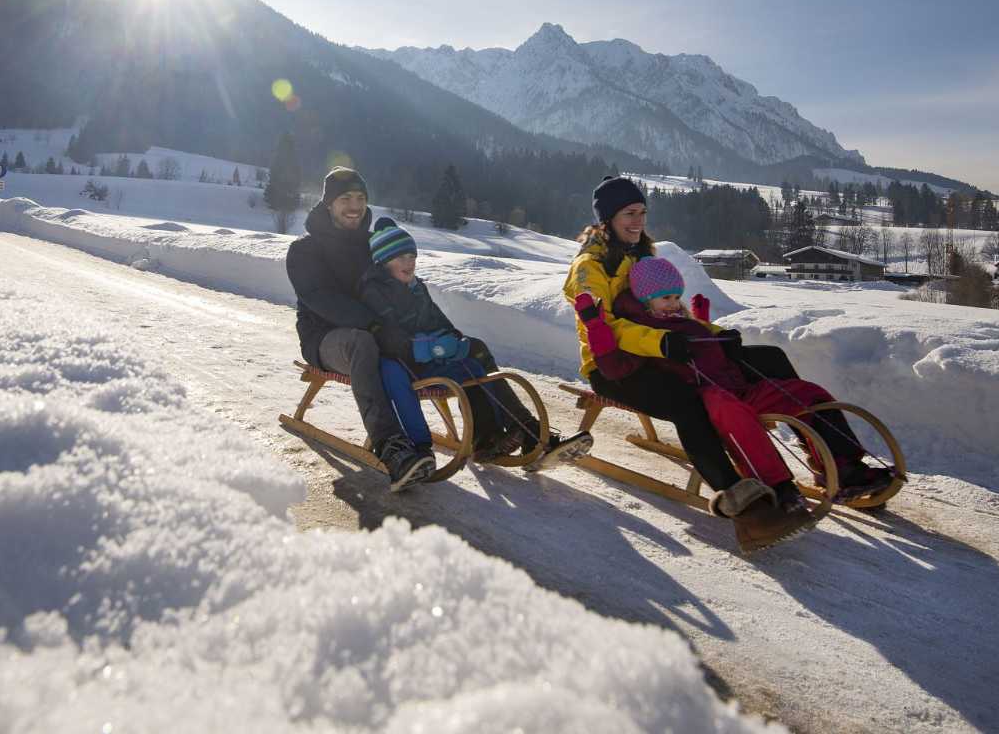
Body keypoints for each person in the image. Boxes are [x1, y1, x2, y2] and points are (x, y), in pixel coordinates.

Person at [563, 175, 815, 553]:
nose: (638, 221)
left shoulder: (640, 256)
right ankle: (745, 508)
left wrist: (711, 334)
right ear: (607, 219)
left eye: (642, 213)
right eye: (629, 213)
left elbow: (669, 311)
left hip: (657, 351)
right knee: (690, 402)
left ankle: (818, 452)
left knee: (768, 359)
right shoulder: (590, 266)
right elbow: (602, 325)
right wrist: (661, 343)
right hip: (613, 366)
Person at [582, 256, 891, 518]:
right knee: (732, 414)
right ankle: (776, 484)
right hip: (709, 397)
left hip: (739, 387)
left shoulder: (682, 319)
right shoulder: (644, 328)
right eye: (666, 299)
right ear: (646, 301)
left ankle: (843, 467)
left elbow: (702, 334)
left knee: (807, 392)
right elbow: (615, 364)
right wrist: (597, 326)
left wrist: (719, 335)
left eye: (677, 297)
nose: (674, 305)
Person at [361, 218, 593, 468]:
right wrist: (437, 347)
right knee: (471, 367)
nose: (409, 263)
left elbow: (442, 323)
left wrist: (454, 339)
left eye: (412, 256)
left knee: (474, 351)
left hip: (430, 356)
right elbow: (391, 338)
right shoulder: (375, 291)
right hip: (408, 364)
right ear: (383, 263)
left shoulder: (417, 288)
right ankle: (505, 435)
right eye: (400, 258)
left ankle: (519, 431)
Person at [287, 167, 435, 491]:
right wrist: (375, 325)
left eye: (361, 198)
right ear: (328, 204)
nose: (355, 205)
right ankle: (392, 447)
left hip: (377, 331)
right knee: (362, 343)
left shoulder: (373, 245)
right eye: (345, 198)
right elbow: (321, 299)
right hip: (324, 338)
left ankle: (495, 429)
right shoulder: (304, 250)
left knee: (430, 342)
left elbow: (398, 281)